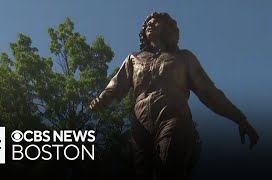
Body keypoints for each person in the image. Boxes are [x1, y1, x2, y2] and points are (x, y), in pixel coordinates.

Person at [90, 12, 259, 179]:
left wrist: (239, 118)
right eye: (148, 23)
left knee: (169, 167)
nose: (150, 24)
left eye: (156, 22)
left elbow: (208, 91)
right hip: (140, 123)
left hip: (173, 116)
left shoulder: (183, 58)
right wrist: (102, 100)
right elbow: (116, 86)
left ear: (168, 28)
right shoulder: (133, 59)